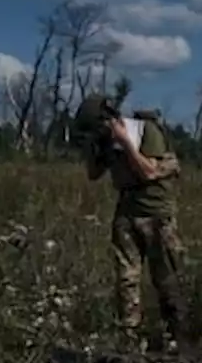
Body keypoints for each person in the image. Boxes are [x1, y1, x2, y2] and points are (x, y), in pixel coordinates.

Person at [72, 94, 194, 349]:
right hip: (127, 212)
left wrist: (125, 142)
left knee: (167, 278)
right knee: (126, 279)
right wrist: (91, 149)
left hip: (156, 214)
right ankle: (129, 338)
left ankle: (178, 339)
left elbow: (149, 171)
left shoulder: (144, 131)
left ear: (109, 120)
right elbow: (94, 175)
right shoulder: (104, 141)